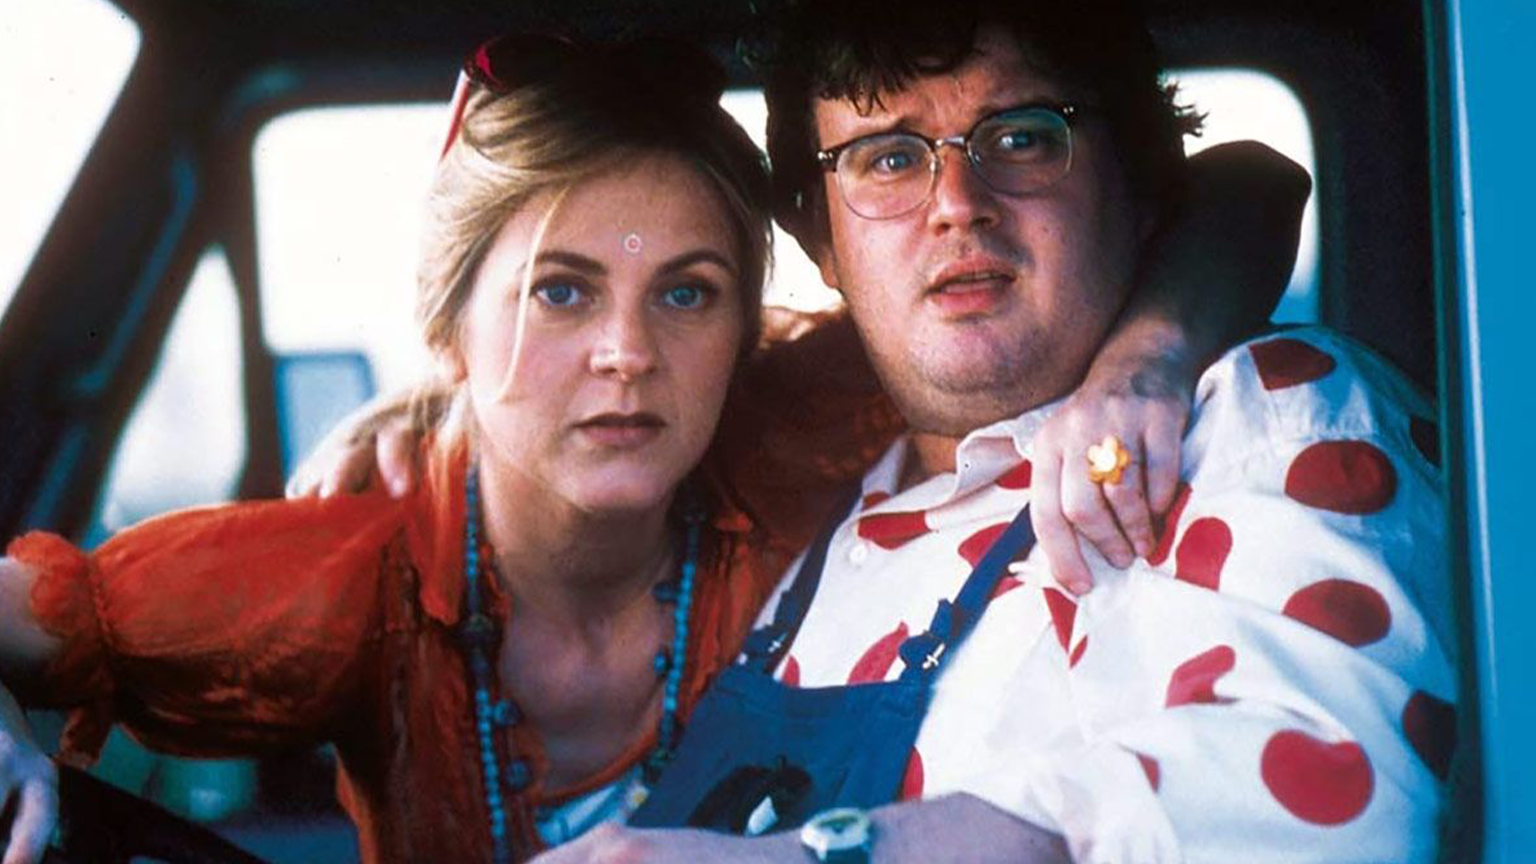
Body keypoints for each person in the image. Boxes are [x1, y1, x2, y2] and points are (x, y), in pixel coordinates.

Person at [1, 24, 1310, 864]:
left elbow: (1243, 184)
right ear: (448, 326)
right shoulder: (350, 569)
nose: (627, 353)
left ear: (748, 323)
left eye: (687, 292)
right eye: (561, 292)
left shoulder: (802, 415)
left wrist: (1140, 366)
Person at [510, 1, 1457, 862]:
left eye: (1023, 138)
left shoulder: (1265, 414)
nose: (957, 202)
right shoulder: (820, 504)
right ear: (819, 240)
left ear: (1138, 186)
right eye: (888, 157)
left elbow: (1329, 801)